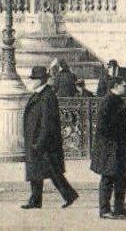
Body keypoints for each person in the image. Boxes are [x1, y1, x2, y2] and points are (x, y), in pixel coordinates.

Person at [22, 64, 79, 211]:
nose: (31, 81)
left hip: (44, 142)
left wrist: (39, 142)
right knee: (39, 171)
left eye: (33, 79)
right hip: (37, 140)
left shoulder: (47, 96)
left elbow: (47, 123)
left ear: (41, 80)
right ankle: (36, 200)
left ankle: (68, 195)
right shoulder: (39, 94)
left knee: (52, 171)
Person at [93, 70, 126, 219]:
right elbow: (102, 125)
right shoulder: (109, 101)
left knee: (121, 178)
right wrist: (114, 139)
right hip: (111, 147)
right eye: (124, 85)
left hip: (119, 146)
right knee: (108, 178)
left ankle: (119, 208)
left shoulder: (117, 99)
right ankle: (105, 210)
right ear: (116, 86)